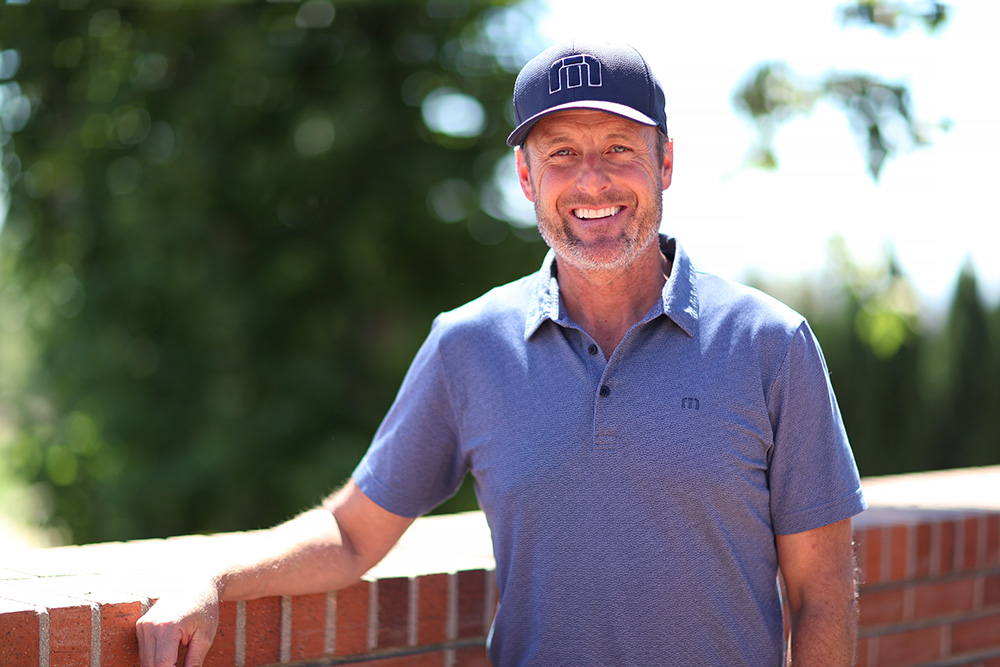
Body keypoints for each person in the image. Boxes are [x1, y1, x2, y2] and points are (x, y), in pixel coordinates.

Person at [137, 40, 866, 666]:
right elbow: (351, 533)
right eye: (562, 155)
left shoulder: (772, 344)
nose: (593, 182)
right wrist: (215, 575)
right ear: (526, 177)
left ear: (665, 162)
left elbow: (822, 593)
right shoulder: (468, 345)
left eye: (619, 149)